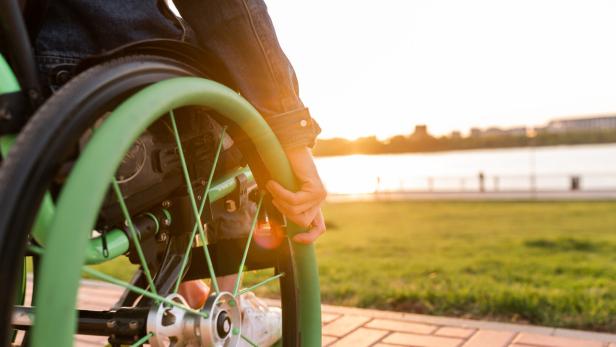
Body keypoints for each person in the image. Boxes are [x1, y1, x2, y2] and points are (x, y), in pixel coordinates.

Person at [34, 0, 327, 345]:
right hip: (103, 81)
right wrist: (291, 138)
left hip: (25, 101)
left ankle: (191, 294)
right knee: (233, 112)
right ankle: (224, 315)